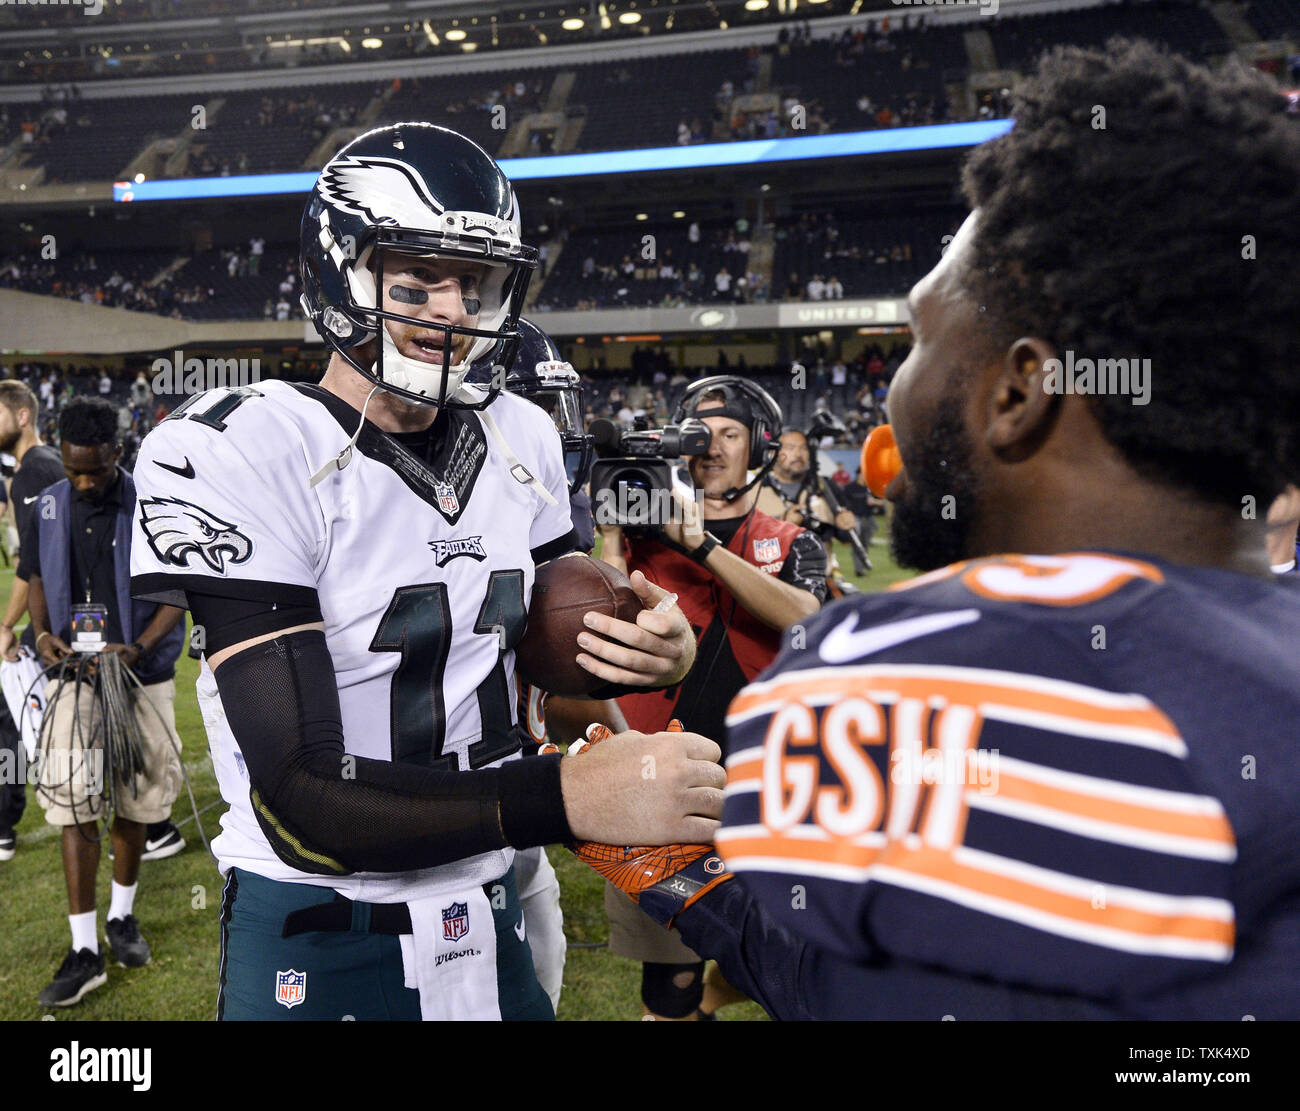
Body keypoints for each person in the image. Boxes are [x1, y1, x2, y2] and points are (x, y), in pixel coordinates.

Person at [569, 40, 1300, 1019]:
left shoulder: (870, 676)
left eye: (917, 337)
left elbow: (833, 984)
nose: (897, 391)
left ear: (1016, 391)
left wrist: (645, 848)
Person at [129, 123, 717, 1022]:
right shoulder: (245, 446)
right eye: (416, 282)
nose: (451, 309)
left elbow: (542, 655)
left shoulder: (521, 434)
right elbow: (304, 795)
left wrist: (639, 647)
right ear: (341, 275)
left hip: (489, 899)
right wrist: (564, 796)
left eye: (473, 283)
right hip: (320, 919)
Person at [596, 375, 827, 1020]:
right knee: (668, 986)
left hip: (770, 783)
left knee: (801, 955)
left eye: (730, 433)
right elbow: (599, 623)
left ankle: (715, 993)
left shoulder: (789, 540)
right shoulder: (641, 546)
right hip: (664, 786)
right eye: (699, 433)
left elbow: (803, 614)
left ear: (759, 445)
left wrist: (697, 542)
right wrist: (615, 537)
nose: (712, 447)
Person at [23, 397, 187, 1007]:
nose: (84, 482)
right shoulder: (48, 503)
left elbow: (179, 587)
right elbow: (35, 573)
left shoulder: (154, 499)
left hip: (138, 672)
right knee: (73, 802)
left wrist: (139, 646)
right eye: (73, 470)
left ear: (119, 452)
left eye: (94, 469)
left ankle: (123, 917)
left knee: (138, 800)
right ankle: (85, 949)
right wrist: (41, 633)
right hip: (73, 673)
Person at [0, 382, 68, 861]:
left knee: (12, 717)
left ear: (22, 415)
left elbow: (32, 561)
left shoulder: (34, 471)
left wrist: (7, 625)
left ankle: (3, 826)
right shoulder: (45, 467)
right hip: (64, 613)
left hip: (50, 617)